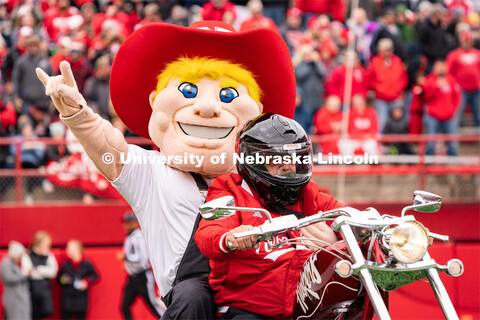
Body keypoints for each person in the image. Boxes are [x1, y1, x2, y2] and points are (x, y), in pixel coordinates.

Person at [37, 20, 296, 320]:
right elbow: (109, 152)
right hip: (189, 293)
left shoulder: (255, 175)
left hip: (250, 289)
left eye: (227, 95)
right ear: (155, 103)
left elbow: (308, 209)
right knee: (192, 299)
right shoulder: (151, 172)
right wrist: (77, 113)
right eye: (188, 91)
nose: (209, 108)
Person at [195, 113, 344, 319]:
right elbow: (208, 234)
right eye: (276, 159)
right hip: (249, 309)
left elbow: (345, 215)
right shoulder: (231, 190)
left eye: (293, 159)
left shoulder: (309, 193)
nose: (287, 166)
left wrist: (346, 235)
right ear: (252, 161)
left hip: (305, 309)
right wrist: (231, 238)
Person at [119, 212, 164, 320]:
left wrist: (126, 258)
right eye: (125, 223)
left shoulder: (138, 237)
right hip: (133, 278)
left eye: (129, 223)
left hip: (143, 277)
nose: (126, 225)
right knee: (124, 306)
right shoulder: (129, 237)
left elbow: (142, 259)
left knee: (153, 305)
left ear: (135, 223)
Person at [367, 38, 408, 133]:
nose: (388, 51)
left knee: (399, 122)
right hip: (381, 98)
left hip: (396, 96)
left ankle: (397, 145)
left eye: (389, 49)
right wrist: (378, 88)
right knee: (382, 121)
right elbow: (369, 78)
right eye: (385, 49)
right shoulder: (375, 62)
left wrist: (399, 89)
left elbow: (403, 77)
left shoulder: (397, 61)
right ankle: (381, 144)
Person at [422, 60, 461, 157]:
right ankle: (428, 166)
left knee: (452, 143)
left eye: (442, 67)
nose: (441, 69)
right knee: (431, 143)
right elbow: (426, 97)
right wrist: (436, 87)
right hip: (433, 116)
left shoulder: (452, 80)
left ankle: (453, 167)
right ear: (434, 69)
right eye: (438, 67)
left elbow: (457, 98)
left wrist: (454, 110)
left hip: (449, 116)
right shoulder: (429, 80)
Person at [446, 31, 480, 128]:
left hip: (476, 89)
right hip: (461, 90)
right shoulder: (454, 55)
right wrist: (454, 85)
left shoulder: (477, 54)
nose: (467, 42)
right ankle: (455, 137)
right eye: (465, 40)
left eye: (468, 40)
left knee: (479, 114)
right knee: (458, 115)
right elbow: (449, 72)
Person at [58, 239, 99, 320]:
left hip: (81, 300)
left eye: (69, 248)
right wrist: (63, 280)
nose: (67, 251)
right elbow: (59, 280)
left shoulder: (87, 263)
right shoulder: (65, 264)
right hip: (67, 300)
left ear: (77, 250)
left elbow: (96, 276)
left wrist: (87, 282)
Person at [22, 231, 58, 320]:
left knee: (48, 310)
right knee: (34, 313)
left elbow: (53, 272)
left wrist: (38, 269)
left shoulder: (49, 256)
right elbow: (27, 271)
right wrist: (45, 270)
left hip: (45, 288)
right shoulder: (27, 255)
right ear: (39, 243)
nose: (48, 246)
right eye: (46, 243)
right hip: (32, 288)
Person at [1, 241, 31, 320]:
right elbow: (9, 278)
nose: (20, 259)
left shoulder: (13, 264)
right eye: (19, 256)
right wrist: (24, 275)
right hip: (13, 298)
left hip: (19, 298)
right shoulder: (6, 263)